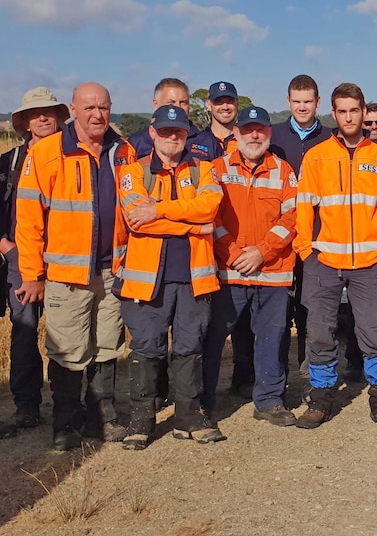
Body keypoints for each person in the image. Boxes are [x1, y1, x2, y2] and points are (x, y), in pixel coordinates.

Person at [16, 82, 135, 450]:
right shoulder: (48, 153)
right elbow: (28, 220)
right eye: (88, 108)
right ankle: (65, 424)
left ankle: (102, 417)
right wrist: (32, 275)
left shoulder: (123, 151)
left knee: (106, 347)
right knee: (68, 351)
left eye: (103, 107)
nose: (97, 115)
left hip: (112, 270)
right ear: (73, 109)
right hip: (67, 276)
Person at [293, 82, 377, 433]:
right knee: (320, 331)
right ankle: (321, 396)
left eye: (354, 110)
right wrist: (306, 251)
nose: (348, 117)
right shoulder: (316, 157)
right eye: (341, 111)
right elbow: (302, 210)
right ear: (334, 113)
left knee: (375, 331)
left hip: (370, 263)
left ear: (363, 113)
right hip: (324, 262)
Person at [115, 104, 225, 449]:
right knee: (147, 349)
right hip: (147, 280)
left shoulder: (205, 170)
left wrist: (160, 210)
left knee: (189, 348)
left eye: (178, 133)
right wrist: (194, 224)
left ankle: (188, 417)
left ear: (186, 135)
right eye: (165, 132)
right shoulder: (133, 171)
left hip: (194, 277)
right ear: (152, 133)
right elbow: (136, 216)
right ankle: (141, 420)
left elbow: (210, 207)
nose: (172, 138)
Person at [201, 106, 298, 427]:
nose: (254, 135)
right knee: (213, 337)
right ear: (236, 133)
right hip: (229, 272)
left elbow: (293, 217)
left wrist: (261, 251)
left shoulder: (284, 171)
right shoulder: (215, 170)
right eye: (248, 130)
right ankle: (203, 402)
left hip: (273, 272)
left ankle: (269, 400)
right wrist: (233, 252)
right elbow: (209, 216)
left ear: (269, 133)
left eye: (261, 130)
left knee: (272, 336)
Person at [0, 87, 70, 438]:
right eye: (35, 113)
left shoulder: (75, 158)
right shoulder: (9, 162)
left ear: (59, 117)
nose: (43, 118)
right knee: (24, 332)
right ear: (25, 121)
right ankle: (26, 406)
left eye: (49, 111)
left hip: (63, 260)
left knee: (66, 333)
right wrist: (11, 251)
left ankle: (68, 405)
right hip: (19, 261)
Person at [269, 75, 334, 385]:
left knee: (313, 308)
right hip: (281, 236)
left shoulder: (330, 139)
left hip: (318, 237)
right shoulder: (273, 137)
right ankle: (274, 376)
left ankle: (311, 372)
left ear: (317, 103)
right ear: (288, 102)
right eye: (297, 101)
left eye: (308, 101)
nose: (302, 107)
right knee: (278, 310)